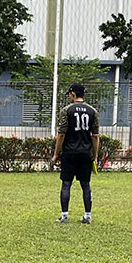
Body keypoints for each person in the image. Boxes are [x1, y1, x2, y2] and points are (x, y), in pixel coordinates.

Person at [52, 83, 100, 224]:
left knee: (66, 184)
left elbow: (61, 134)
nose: (69, 96)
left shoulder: (66, 110)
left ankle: (65, 216)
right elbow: (95, 136)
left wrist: (56, 154)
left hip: (69, 152)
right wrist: (95, 156)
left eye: (69, 94)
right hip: (85, 153)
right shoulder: (93, 111)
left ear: (73, 94)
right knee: (86, 185)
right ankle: (87, 216)